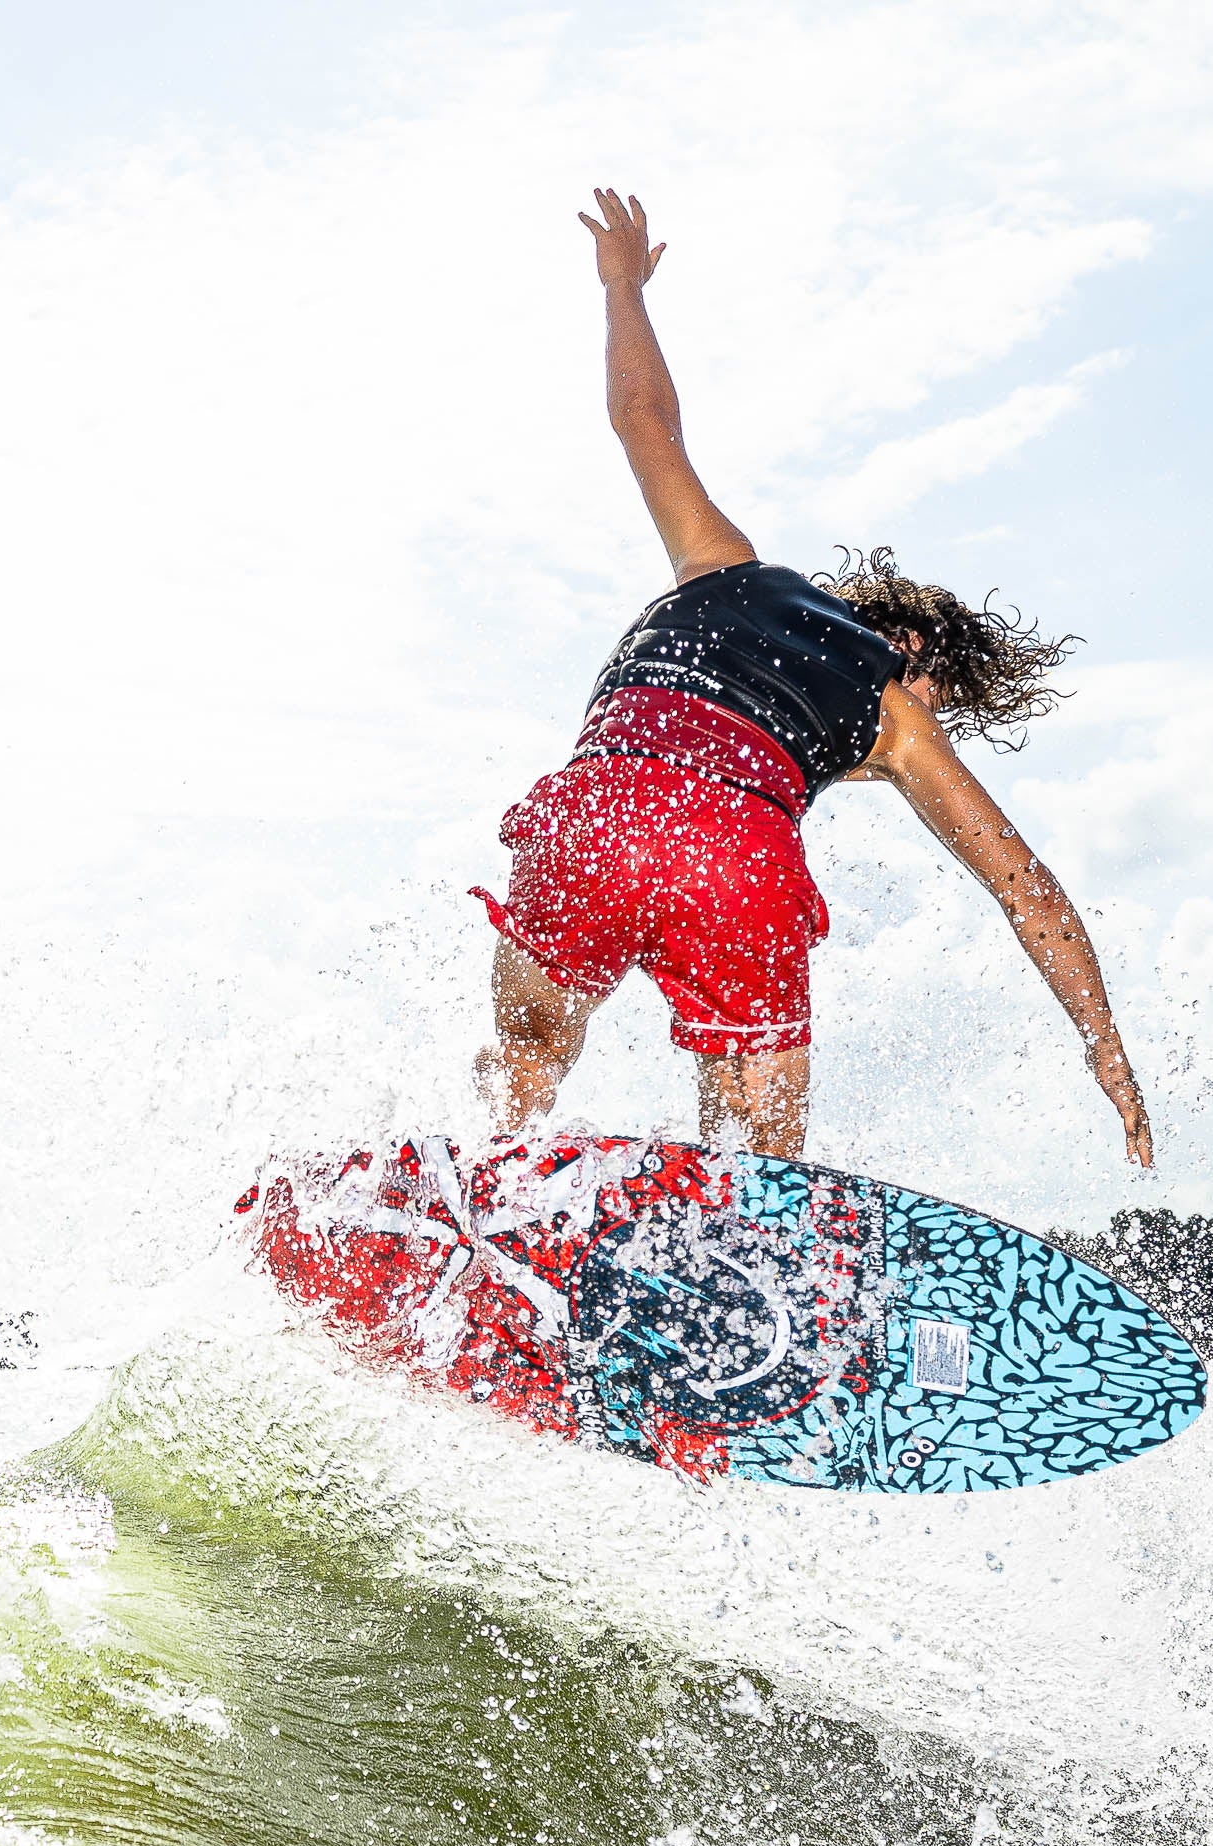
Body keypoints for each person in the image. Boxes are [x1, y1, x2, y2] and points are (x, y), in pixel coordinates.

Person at [475, 188, 1157, 1170]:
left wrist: (621, 284)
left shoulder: (716, 563)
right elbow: (1027, 891)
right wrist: (1103, 1045)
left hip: (590, 822)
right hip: (730, 866)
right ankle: (740, 1240)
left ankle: (489, 1192)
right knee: (752, 1160)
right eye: (939, 704)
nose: (926, 731)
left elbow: (639, 417)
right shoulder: (893, 713)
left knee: (526, 1058)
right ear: (912, 653)